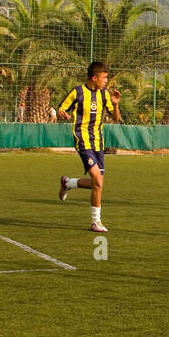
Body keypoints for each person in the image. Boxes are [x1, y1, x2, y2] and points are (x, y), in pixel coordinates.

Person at [57, 61, 122, 233]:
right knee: (98, 182)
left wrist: (115, 104)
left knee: (96, 183)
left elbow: (116, 118)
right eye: (104, 78)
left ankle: (68, 183)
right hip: (82, 139)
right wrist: (61, 114)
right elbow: (61, 109)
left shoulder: (105, 95)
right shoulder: (77, 92)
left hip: (98, 142)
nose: (106, 81)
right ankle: (95, 222)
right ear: (94, 78)